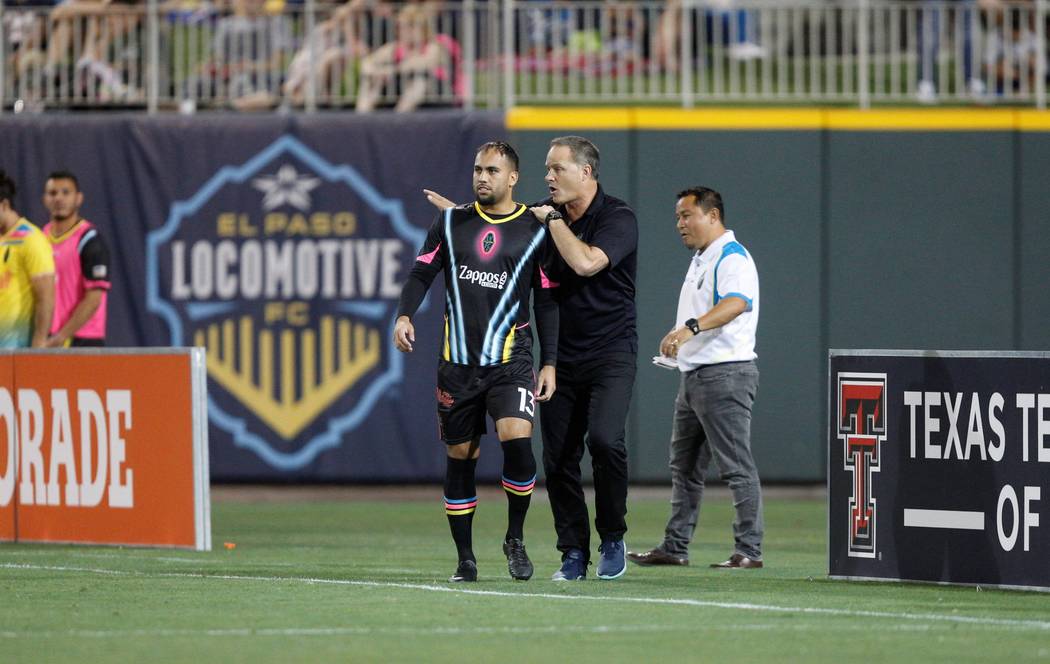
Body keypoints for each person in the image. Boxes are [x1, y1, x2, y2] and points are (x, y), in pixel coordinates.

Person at [425, 136, 639, 582]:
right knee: (558, 457)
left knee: (603, 441)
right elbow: (497, 227)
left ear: (585, 173)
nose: (548, 177)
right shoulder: (542, 213)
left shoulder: (617, 218)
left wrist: (553, 222)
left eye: (557, 169)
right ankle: (573, 552)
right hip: (561, 357)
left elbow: (584, 264)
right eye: (546, 168)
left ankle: (613, 536)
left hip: (610, 352)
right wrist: (461, 219)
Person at [395, 141, 558, 583]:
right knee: (461, 457)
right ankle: (466, 558)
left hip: (512, 361)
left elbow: (545, 300)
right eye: (477, 169)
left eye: (491, 170)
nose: (482, 177)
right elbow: (421, 272)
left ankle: (515, 537)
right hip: (458, 366)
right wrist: (404, 314)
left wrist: (550, 362)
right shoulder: (450, 222)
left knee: (518, 442)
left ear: (512, 178)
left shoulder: (536, 227)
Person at [627, 186, 763, 570]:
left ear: (713, 215)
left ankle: (749, 550)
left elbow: (737, 302)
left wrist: (689, 328)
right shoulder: (704, 257)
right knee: (684, 467)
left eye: (687, 215)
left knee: (735, 465)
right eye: (677, 217)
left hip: (725, 374)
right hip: (696, 376)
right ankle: (675, 546)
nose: (680, 224)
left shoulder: (731, 255)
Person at [41, 170, 111, 347]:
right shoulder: (40, 238)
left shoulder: (89, 240)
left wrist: (62, 336)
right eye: (53, 193)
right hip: (49, 338)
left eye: (66, 192)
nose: (59, 199)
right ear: (45, 199)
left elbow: (94, 298)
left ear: (78, 198)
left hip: (84, 339)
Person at [0, 170, 55, 349]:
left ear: (4, 205)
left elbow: (46, 296)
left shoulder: (31, 239)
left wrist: (39, 343)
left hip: (16, 349)